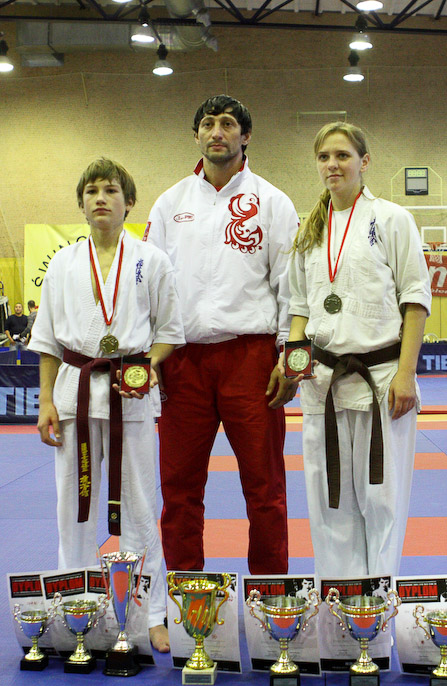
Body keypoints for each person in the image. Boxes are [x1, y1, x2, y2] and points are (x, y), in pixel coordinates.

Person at [29, 157, 185, 652]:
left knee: (140, 507)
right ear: (81, 204)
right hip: (74, 393)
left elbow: (169, 332)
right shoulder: (63, 263)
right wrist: (45, 401)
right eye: (92, 191)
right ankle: (73, 606)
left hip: (129, 395)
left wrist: (147, 367)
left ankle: (151, 613)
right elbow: (47, 340)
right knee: (73, 506)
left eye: (111, 190)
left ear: (129, 202)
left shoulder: (152, 260)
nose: (101, 198)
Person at [144, 95, 299, 574]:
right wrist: (150, 357)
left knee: (265, 486)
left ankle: (270, 598)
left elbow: (290, 286)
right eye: (208, 123)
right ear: (195, 135)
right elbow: (149, 286)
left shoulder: (272, 202)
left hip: (251, 358)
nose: (217, 132)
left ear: (245, 136)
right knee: (179, 487)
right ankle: (185, 596)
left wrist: (287, 354)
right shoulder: (170, 203)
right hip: (182, 359)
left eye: (228, 124)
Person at [287, 122, 432, 579]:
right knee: (329, 503)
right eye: (324, 157)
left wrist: (407, 374)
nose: (332, 164)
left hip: (382, 380)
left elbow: (415, 300)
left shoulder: (391, 219)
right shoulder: (308, 231)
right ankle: (339, 606)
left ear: (364, 162)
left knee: (381, 500)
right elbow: (298, 307)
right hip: (322, 383)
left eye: (343, 155)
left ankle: (378, 607)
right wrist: (292, 362)